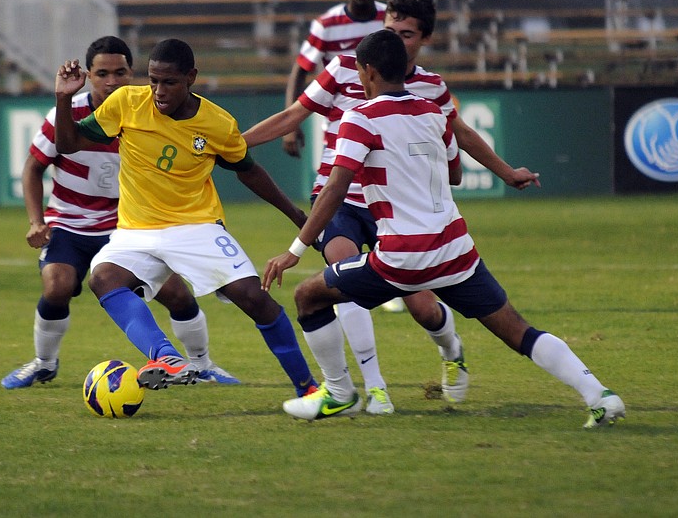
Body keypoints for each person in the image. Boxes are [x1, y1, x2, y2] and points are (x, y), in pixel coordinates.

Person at [264, 29, 625, 429]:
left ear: (367, 72)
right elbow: (454, 172)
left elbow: (335, 187)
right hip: (456, 252)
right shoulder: (433, 111)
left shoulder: (360, 118)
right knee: (518, 330)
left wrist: (294, 250)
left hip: (402, 257)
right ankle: (600, 395)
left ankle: (340, 393)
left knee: (308, 296)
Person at [244, 0, 541, 414]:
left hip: (398, 208)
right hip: (340, 196)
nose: (396, 40)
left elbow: (462, 135)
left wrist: (506, 171)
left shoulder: (431, 86)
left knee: (423, 308)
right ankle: (373, 388)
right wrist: (234, 143)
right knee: (337, 272)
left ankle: (451, 347)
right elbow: (293, 115)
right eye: (391, 30)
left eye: (406, 34)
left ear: (422, 40)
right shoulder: (347, 65)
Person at [53, 37, 318, 397]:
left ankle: (309, 388)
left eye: (169, 82)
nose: (158, 91)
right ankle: (167, 358)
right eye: (153, 81)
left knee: (254, 298)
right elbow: (68, 144)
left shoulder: (217, 123)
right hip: (137, 229)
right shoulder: (127, 103)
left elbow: (248, 170)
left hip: (196, 225)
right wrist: (64, 98)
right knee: (103, 278)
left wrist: (297, 215)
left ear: (191, 77)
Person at [2, 36, 238, 389]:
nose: (111, 81)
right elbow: (33, 167)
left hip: (128, 227)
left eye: (120, 72)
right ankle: (43, 362)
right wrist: (36, 221)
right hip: (69, 222)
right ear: (89, 76)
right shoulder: (68, 115)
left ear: (132, 73)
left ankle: (201, 364)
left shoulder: (147, 110)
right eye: (102, 73)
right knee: (57, 285)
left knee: (176, 293)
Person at [282, 0, 385, 158]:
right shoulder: (327, 25)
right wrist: (291, 126)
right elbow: (300, 70)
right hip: (340, 119)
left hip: (383, 117)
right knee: (335, 183)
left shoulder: (389, 21)